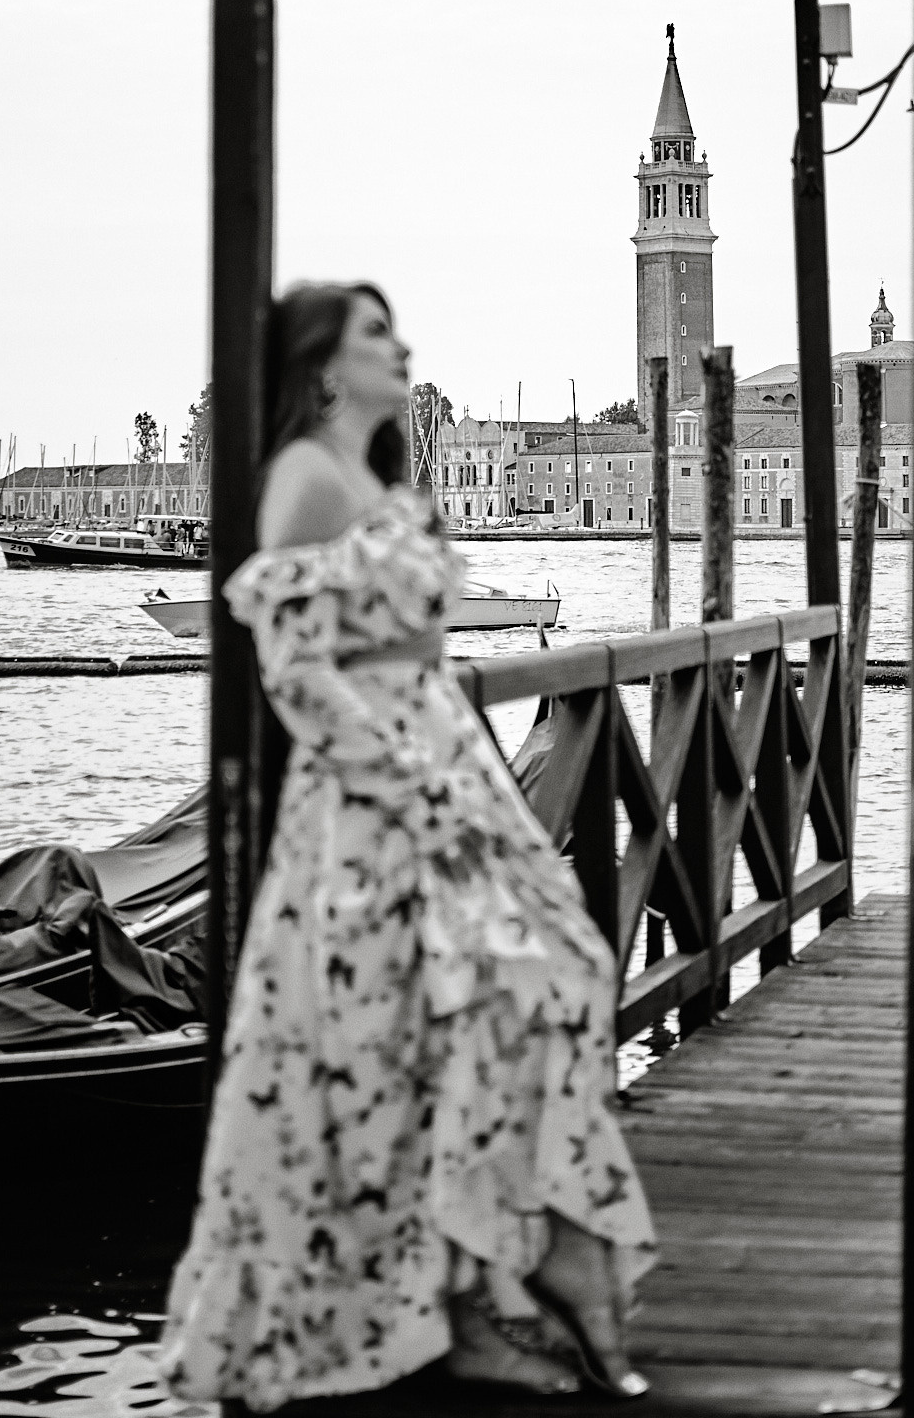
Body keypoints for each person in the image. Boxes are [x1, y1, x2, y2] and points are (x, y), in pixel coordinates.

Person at [159, 283, 655, 1411]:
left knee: (550, 971)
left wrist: (449, 777)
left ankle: (503, 1270)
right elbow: (290, 668)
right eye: (378, 334)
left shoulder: (375, 478)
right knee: (415, 1033)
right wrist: (404, 782)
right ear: (327, 366)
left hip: (445, 777)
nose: (404, 346)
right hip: (377, 806)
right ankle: (480, 1292)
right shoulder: (305, 475)